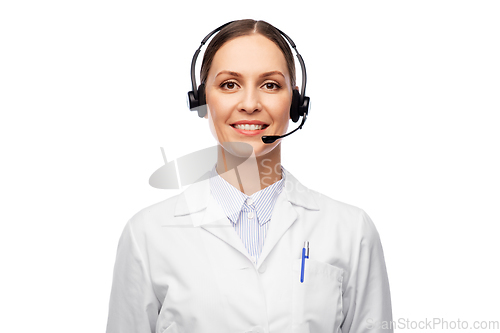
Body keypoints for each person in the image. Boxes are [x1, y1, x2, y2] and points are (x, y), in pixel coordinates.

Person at [106, 19, 393, 333]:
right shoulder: (147, 235)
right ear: (202, 100)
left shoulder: (351, 231)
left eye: (270, 85)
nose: (250, 104)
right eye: (230, 84)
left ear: (296, 102)